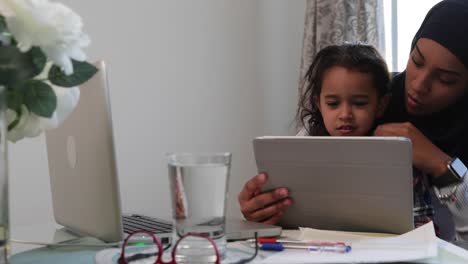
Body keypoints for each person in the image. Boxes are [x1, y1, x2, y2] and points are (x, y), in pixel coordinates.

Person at [238, 0, 468, 243]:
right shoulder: (368, 92)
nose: (419, 85)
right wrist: (261, 207)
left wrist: (442, 165)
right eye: (417, 61)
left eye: (445, 79)